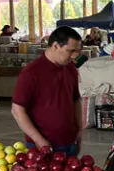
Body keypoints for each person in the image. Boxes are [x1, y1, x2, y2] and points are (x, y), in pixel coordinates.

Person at [11, 26, 84, 154]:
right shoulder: (31, 73)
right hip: (43, 145)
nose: (75, 55)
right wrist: (39, 140)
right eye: (71, 50)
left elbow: (75, 101)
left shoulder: (71, 69)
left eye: (77, 51)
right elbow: (17, 110)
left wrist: (79, 130)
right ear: (55, 46)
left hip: (70, 142)